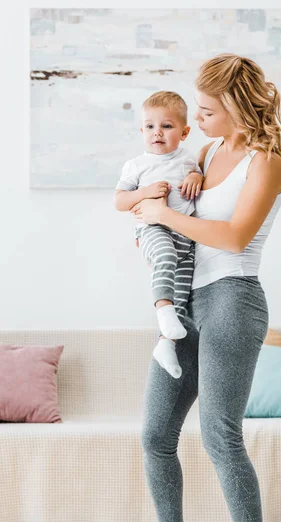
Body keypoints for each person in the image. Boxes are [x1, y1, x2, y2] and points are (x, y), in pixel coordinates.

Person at [118, 53, 281, 522]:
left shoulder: (267, 161)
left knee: (219, 433)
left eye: (208, 110)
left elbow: (235, 237)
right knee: (155, 434)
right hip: (188, 300)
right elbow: (165, 194)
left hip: (234, 299)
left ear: (238, 107)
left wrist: (163, 215)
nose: (199, 117)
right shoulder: (208, 151)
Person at [113, 91, 204, 378]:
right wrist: (144, 193)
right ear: (142, 131)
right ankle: (162, 309)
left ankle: (166, 343)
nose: (157, 133)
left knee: (184, 288)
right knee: (164, 256)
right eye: (150, 127)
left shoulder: (189, 160)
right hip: (152, 229)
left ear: (185, 131)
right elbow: (119, 201)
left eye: (167, 126)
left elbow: (199, 178)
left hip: (185, 236)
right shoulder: (137, 165)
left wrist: (196, 177)